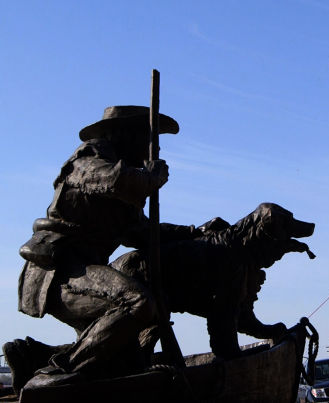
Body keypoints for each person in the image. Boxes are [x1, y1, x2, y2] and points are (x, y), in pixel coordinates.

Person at [8, 106, 203, 389]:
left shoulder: (123, 183)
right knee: (138, 303)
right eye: (151, 139)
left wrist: (195, 232)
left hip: (86, 272)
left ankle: (33, 356)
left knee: (122, 359)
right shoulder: (87, 162)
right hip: (60, 271)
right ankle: (57, 375)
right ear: (125, 134)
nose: (156, 149)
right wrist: (151, 178)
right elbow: (117, 182)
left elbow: (140, 232)